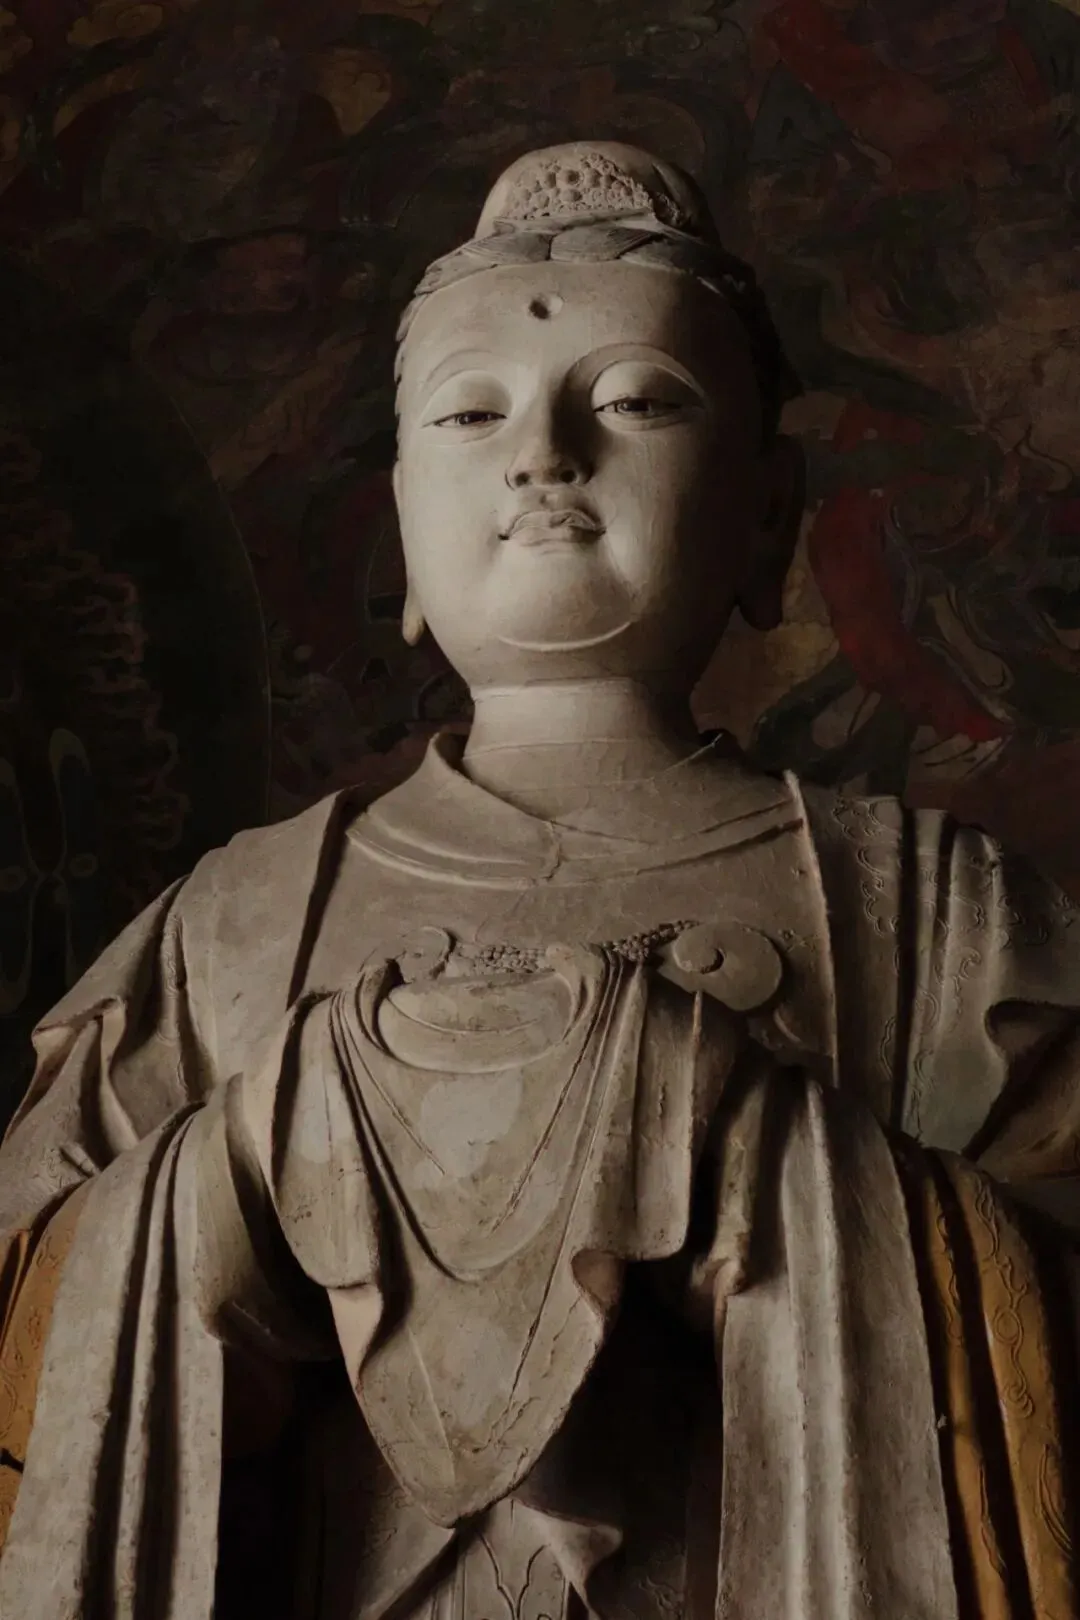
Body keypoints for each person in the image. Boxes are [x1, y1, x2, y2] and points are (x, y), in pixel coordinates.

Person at [1, 141, 1079, 1620]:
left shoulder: (946, 918)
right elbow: (26, 1313)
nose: (543, 456)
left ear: (770, 513)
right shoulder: (233, 923)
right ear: (401, 521)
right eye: (471, 412)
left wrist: (766, 1158)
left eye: (636, 400)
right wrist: (240, 1171)